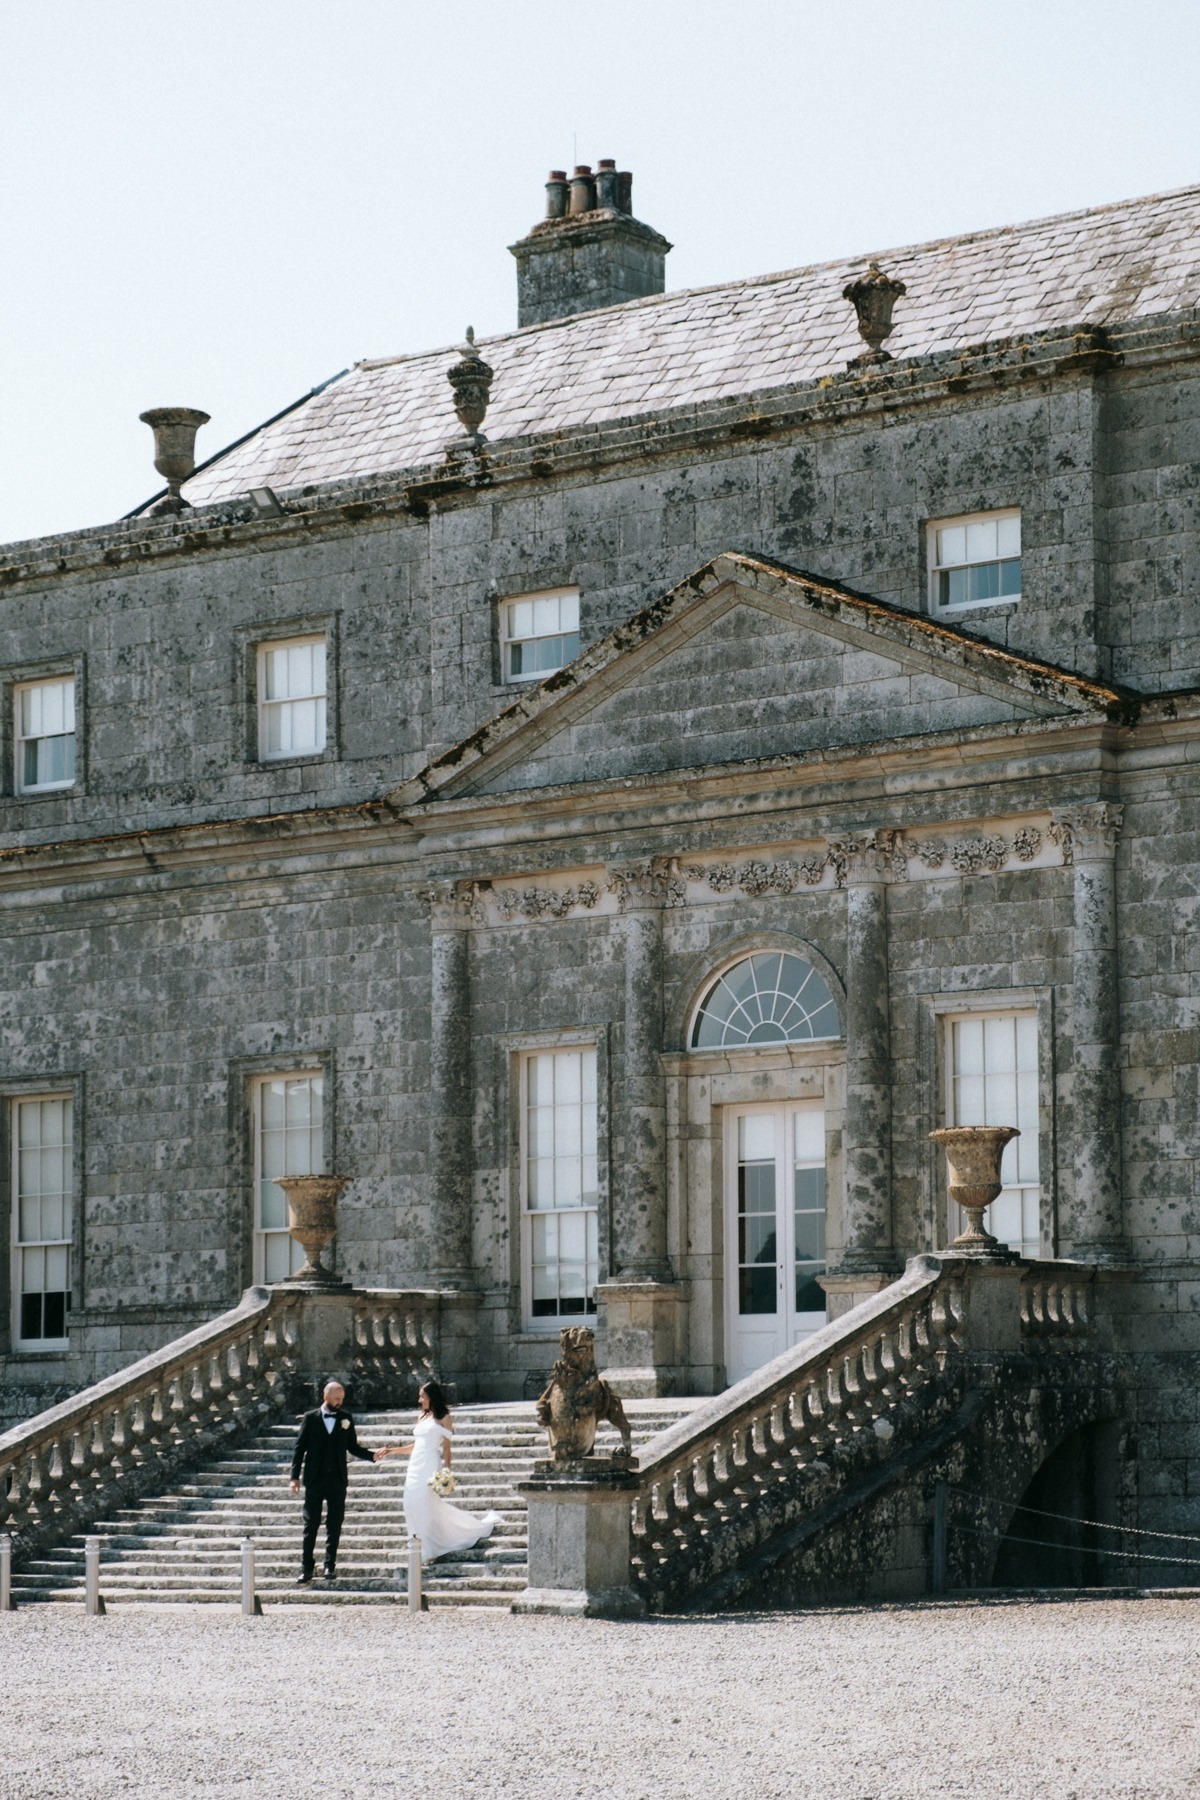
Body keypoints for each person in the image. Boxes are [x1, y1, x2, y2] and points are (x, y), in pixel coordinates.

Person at [377, 1378, 503, 1564]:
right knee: (410, 1503)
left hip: (429, 1464)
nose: (420, 1400)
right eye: (420, 1397)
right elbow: (416, 1445)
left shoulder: (444, 1418)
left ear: (432, 1397)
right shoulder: (422, 1417)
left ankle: (429, 1548)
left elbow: (446, 1448)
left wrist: (446, 1472)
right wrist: (392, 1451)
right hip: (415, 1465)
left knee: (424, 1502)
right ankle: (418, 1543)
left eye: (423, 1397)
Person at [289, 1377, 377, 1584]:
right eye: (336, 1398)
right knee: (311, 1524)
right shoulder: (310, 1418)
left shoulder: (346, 1418)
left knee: (335, 1523)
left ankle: (330, 1565)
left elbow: (353, 1447)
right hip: (314, 1478)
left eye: (342, 1398)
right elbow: (299, 1448)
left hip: (337, 1479)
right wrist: (294, 1477)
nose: (340, 1402)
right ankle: (306, 1567)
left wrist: (372, 1455)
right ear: (325, 1396)